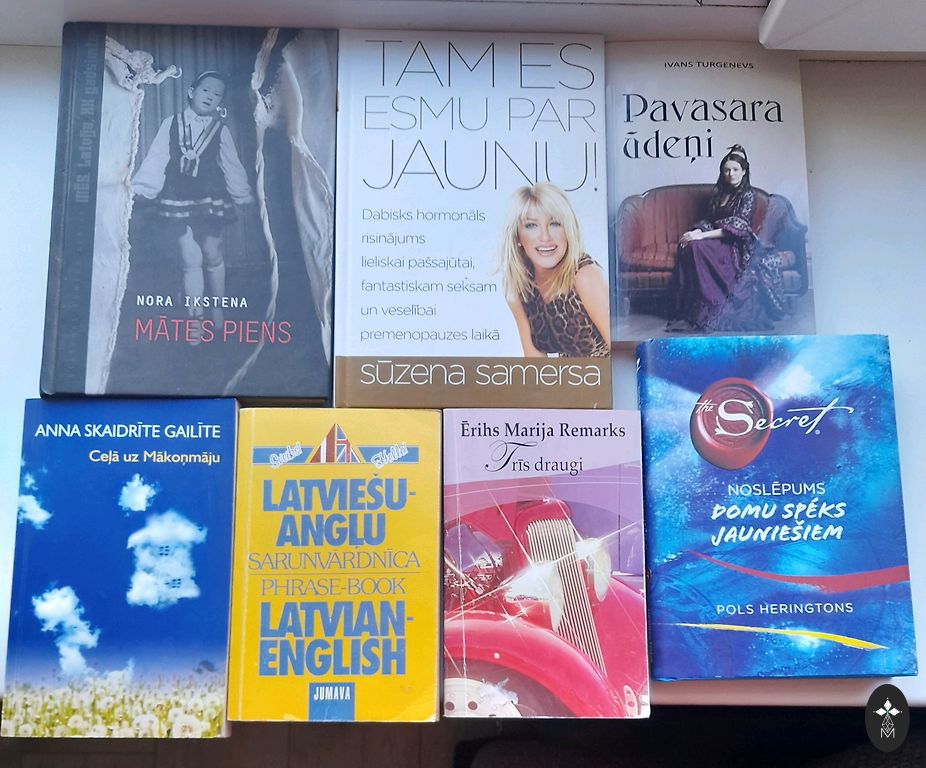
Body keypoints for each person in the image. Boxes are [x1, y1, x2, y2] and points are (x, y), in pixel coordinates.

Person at [132, 70, 253, 340]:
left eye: (217, 94)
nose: (210, 96)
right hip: (178, 195)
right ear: (191, 92)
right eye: (205, 90)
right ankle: (195, 319)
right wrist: (143, 188)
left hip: (210, 196)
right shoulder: (170, 123)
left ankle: (218, 308)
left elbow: (231, 165)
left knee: (212, 253)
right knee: (190, 258)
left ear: (220, 101)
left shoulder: (220, 130)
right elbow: (157, 157)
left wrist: (242, 194)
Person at [666, 144, 787, 332]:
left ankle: (713, 305)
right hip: (716, 238)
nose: (731, 174)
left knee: (697, 246)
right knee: (689, 246)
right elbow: (710, 220)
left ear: (744, 172)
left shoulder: (748, 195)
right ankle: (696, 306)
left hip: (735, 244)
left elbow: (736, 228)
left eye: (735, 170)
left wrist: (701, 236)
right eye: (727, 170)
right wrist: (696, 232)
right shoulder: (719, 193)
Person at [499, 183, 610, 358]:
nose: (545, 237)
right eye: (531, 225)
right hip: (565, 374)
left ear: (569, 230)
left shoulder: (585, 276)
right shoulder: (519, 287)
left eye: (555, 223)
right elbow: (534, 359)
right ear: (517, 236)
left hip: (604, 371)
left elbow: (620, 352)